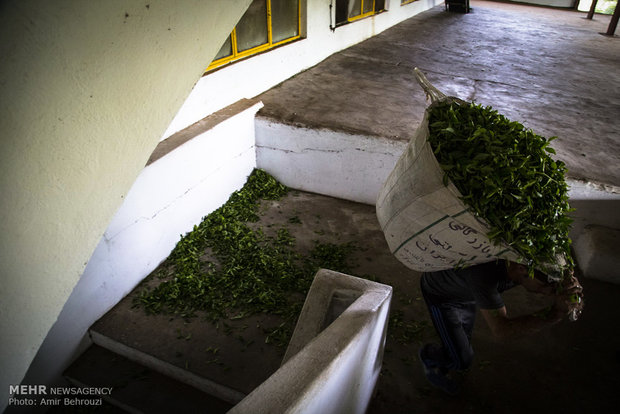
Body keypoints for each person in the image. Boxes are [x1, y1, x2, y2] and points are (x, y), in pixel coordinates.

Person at [418, 259, 583, 395]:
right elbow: (502, 331)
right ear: (520, 269)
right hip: (442, 296)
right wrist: (556, 313)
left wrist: (568, 283)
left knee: (461, 340)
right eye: (547, 287)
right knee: (461, 360)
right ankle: (429, 356)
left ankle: (452, 350)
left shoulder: (524, 261)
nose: (548, 293)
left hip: (466, 292)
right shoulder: (484, 275)